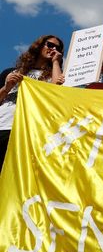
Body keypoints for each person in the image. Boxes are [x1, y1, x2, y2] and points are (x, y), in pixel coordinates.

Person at [0, 35, 64, 168]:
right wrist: (7, 87)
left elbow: (55, 93)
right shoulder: (11, 72)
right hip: (3, 124)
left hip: (26, 131)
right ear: (39, 45)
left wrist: (56, 62)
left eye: (58, 49)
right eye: (50, 45)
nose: (54, 49)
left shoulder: (53, 76)